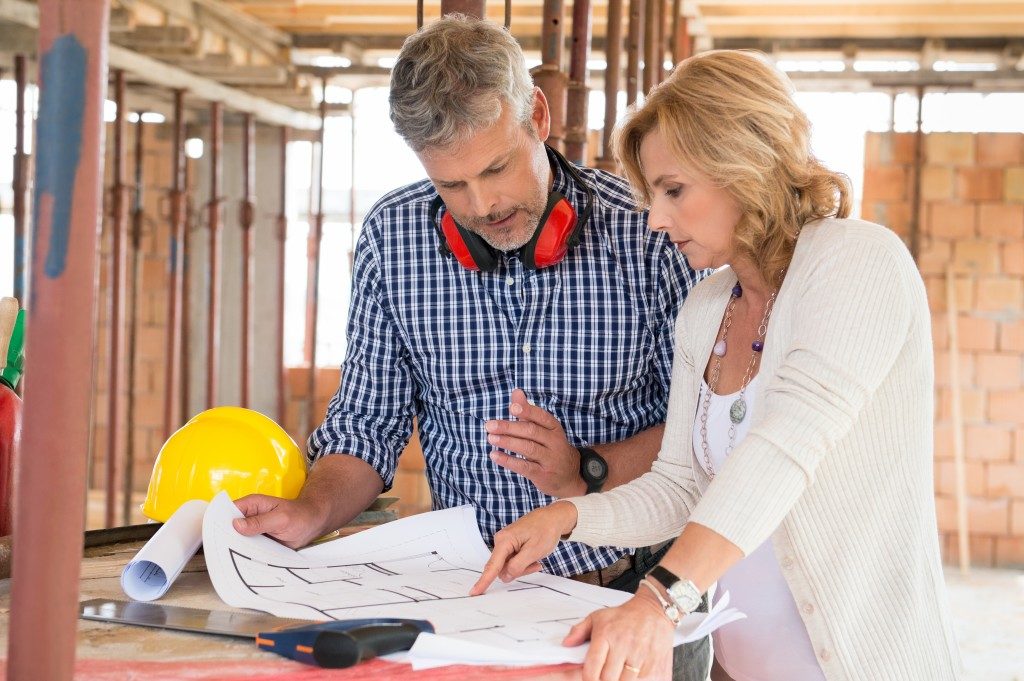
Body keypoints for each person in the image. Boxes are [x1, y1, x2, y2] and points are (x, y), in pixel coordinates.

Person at [232, 15, 710, 681]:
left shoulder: (649, 233)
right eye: (452, 186)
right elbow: (367, 423)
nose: (484, 205)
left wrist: (586, 470)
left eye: (496, 167)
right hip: (466, 612)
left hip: (628, 603)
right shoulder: (392, 241)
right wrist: (310, 508)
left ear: (537, 116)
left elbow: (706, 431)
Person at [471, 49, 964, 681]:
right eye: (652, 195)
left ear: (745, 164)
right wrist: (568, 519)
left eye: (675, 190)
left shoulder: (856, 263)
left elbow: (782, 450)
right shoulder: (707, 307)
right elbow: (681, 486)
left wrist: (657, 600)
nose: (656, 220)